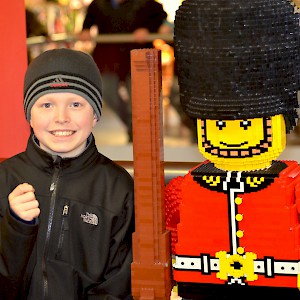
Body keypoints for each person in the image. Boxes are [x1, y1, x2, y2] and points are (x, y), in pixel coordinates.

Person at [166, 0, 300, 299]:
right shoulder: (182, 188)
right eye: (220, 126)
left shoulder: (293, 183)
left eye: (245, 125)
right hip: (203, 282)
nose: (232, 136)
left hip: (276, 279)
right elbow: (173, 229)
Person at [0, 48, 134, 299]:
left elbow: (118, 287)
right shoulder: (5, 179)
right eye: (47, 104)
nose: (61, 118)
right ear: (29, 114)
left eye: (75, 104)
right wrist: (17, 229)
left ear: (95, 114)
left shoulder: (118, 189)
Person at [79, 0, 168, 142]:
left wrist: (149, 29)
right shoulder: (98, 4)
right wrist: (85, 30)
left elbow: (160, 17)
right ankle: (132, 126)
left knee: (138, 98)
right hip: (108, 58)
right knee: (106, 91)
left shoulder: (146, 4)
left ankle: (139, 134)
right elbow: (89, 20)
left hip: (138, 56)